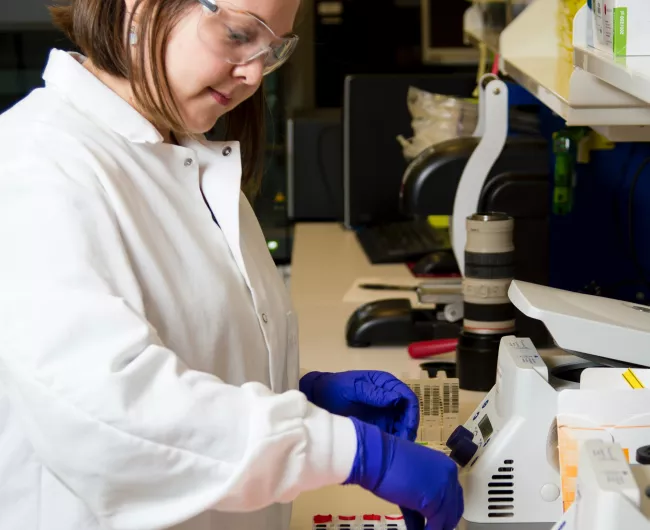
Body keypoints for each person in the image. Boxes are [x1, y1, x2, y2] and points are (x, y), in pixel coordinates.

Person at [0, 0, 464, 529]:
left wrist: (299, 398)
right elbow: (107, 413)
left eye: (271, 50)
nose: (253, 73)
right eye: (239, 35)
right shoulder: (35, 166)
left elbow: (189, 350)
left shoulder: (183, 154)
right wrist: (346, 450)